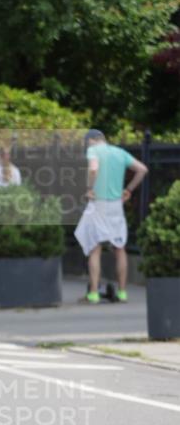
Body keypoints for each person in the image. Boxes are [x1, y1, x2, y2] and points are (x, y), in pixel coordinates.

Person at [74, 129, 148, 303]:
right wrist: (128, 189)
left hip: (99, 204)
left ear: (92, 140)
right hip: (116, 205)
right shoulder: (119, 152)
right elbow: (142, 170)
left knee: (95, 248)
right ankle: (122, 292)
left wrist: (90, 189)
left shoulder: (93, 151)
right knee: (120, 247)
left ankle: (93, 294)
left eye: (87, 143)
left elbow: (93, 169)